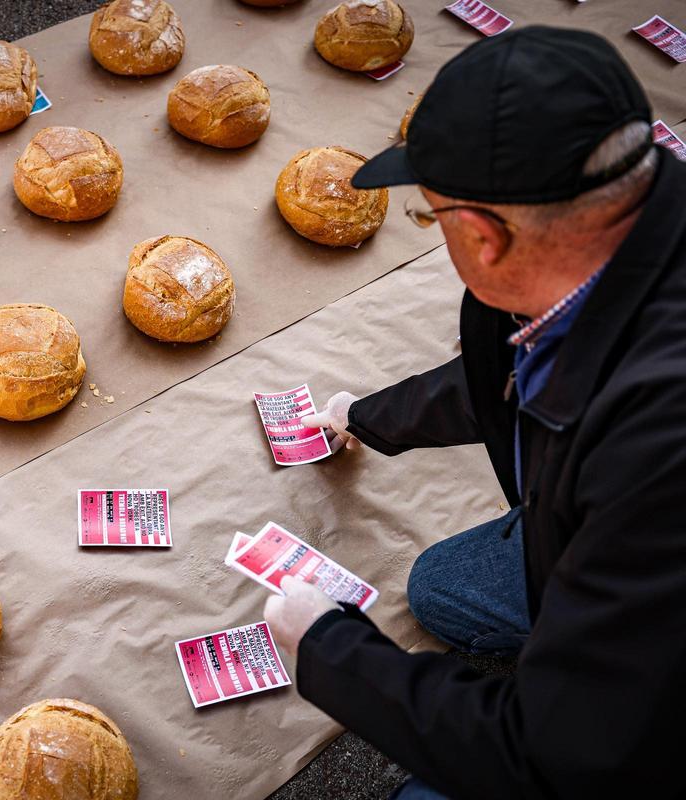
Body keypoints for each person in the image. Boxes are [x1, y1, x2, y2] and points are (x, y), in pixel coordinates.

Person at [261, 25, 686, 800]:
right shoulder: (638, 229)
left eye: (430, 218)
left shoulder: (655, 457)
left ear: (484, 235)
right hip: (618, 530)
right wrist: (367, 414)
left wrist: (328, 651)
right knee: (442, 586)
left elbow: (554, 760)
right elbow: (512, 372)